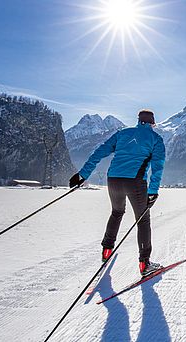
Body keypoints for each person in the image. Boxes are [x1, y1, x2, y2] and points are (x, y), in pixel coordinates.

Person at [69, 109, 166, 275]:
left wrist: (82, 174)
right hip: (135, 182)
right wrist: (153, 191)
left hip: (113, 179)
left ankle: (106, 251)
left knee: (117, 212)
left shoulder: (122, 134)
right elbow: (157, 167)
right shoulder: (156, 139)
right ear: (152, 123)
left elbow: (99, 152)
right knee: (142, 220)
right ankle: (145, 264)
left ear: (138, 121)